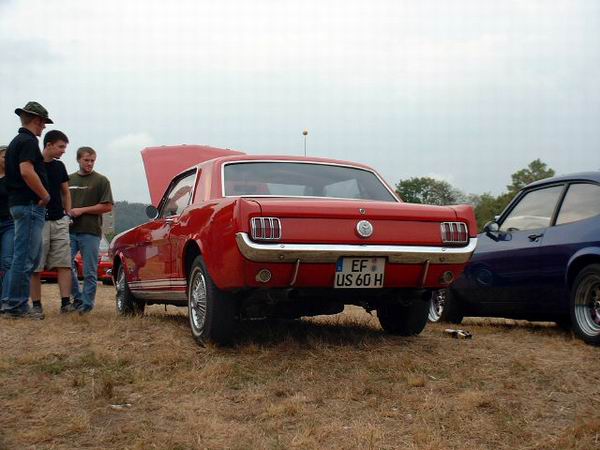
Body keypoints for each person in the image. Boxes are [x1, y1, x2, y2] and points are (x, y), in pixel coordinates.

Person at [0, 101, 52, 319]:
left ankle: (11, 303)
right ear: (37, 120)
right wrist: (45, 194)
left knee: (22, 256)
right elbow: (26, 171)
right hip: (29, 205)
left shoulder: (15, 142)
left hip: (17, 204)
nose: (44, 128)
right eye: (43, 123)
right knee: (25, 258)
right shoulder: (29, 141)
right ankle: (16, 306)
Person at [30, 130, 72, 316]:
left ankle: (65, 303)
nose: (63, 151)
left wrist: (67, 214)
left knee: (64, 263)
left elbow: (65, 191)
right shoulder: (33, 165)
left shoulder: (59, 166)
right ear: (48, 145)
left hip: (59, 220)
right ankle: (37, 305)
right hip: (39, 220)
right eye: (61, 147)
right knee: (36, 265)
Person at [69, 146, 113, 314]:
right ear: (78, 160)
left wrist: (82, 210)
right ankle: (77, 297)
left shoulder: (101, 181)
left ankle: (86, 305)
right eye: (86, 160)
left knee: (89, 271)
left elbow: (107, 206)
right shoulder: (68, 180)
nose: (89, 163)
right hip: (69, 231)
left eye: (92, 160)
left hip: (91, 232)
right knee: (65, 265)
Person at [0, 146, 15, 305]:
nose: (7, 160)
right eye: (4, 156)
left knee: (7, 260)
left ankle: (6, 299)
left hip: (10, 222)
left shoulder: (13, 178)